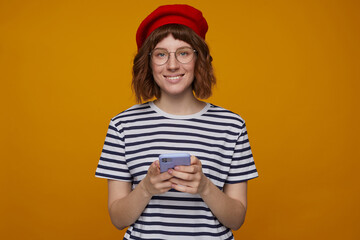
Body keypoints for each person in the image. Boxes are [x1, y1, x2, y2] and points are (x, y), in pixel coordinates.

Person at [95, 4, 258, 240]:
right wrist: (146, 188)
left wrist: (204, 187)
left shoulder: (231, 126)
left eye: (183, 52)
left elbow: (237, 219)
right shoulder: (122, 125)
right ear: (149, 63)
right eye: (161, 54)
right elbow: (118, 219)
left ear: (198, 58)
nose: (172, 65)